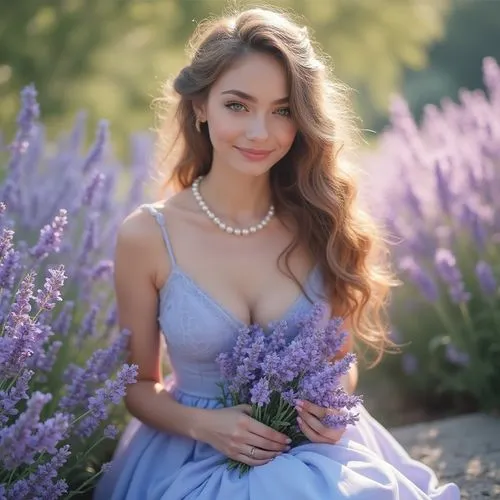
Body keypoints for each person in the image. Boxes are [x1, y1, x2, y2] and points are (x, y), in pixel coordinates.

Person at [94, 7, 460, 499]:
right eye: (237, 105)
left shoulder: (318, 221)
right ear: (201, 105)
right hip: (190, 453)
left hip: (313, 449)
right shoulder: (147, 235)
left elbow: (339, 359)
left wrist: (332, 402)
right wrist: (206, 425)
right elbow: (137, 386)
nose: (260, 132)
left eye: (283, 110)